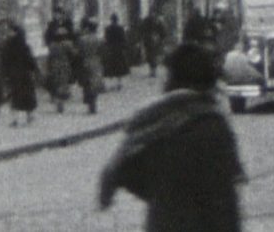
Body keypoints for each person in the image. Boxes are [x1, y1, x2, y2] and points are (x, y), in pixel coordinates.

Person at [98, 42, 246, 231]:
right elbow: (223, 201)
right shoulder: (212, 124)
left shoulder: (153, 120)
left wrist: (162, 193)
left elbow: (126, 172)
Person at [0, 23, 39, 126]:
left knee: (14, 98)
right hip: (25, 75)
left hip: (13, 76)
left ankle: (15, 119)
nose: (9, 33)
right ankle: (29, 116)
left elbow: (3, 62)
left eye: (11, 31)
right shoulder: (24, 45)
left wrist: (4, 74)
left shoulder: (7, 46)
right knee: (27, 97)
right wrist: (34, 70)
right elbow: (30, 60)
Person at [76, 17, 105, 114]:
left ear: (88, 28)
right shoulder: (99, 39)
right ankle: (94, 104)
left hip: (85, 62)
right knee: (95, 83)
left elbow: (79, 53)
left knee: (87, 84)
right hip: (96, 62)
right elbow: (102, 51)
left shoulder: (82, 40)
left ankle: (90, 105)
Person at [46, 24, 76, 113]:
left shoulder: (52, 46)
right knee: (63, 82)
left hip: (54, 66)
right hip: (64, 65)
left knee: (57, 83)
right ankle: (61, 101)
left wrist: (49, 66)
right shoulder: (67, 44)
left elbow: (49, 57)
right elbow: (73, 54)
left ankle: (58, 101)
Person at [102, 13, 130, 90]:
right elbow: (123, 39)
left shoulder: (107, 28)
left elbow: (106, 40)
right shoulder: (120, 28)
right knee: (119, 66)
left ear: (111, 20)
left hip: (111, 49)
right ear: (117, 20)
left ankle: (112, 83)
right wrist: (124, 47)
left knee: (111, 66)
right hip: (119, 49)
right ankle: (119, 82)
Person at [139, 12, 167, 78]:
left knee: (151, 55)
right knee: (153, 55)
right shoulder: (157, 21)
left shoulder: (147, 21)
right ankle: (153, 70)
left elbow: (141, 30)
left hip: (150, 40)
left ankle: (152, 70)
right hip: (153, 40)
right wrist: (161, 38)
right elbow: (163, 31)